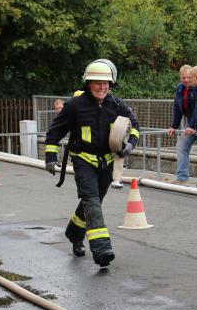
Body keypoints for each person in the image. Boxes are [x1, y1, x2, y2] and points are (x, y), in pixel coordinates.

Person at [44, 59, 139, 267]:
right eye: (98, 82)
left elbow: (134, 127)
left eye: (106, 83)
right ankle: (101, 249)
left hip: (107, 162)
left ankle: (74, 234)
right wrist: (50, 157)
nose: (102, 87)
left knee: (91, 203)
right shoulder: (74, 106)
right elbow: (54, 133)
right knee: (91, 200)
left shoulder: (116, 104)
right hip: (83, 160)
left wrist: (130, 144)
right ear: (88, 83)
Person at [167, 65, 197, 184]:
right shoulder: (180, 88)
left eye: (189, 77)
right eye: (183, 77)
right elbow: (177, 107)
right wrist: (174, 126)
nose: (186, 80)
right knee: (181, 146)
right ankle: (182, 177)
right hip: (190, 124)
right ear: (180, 77)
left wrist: (194, 126)